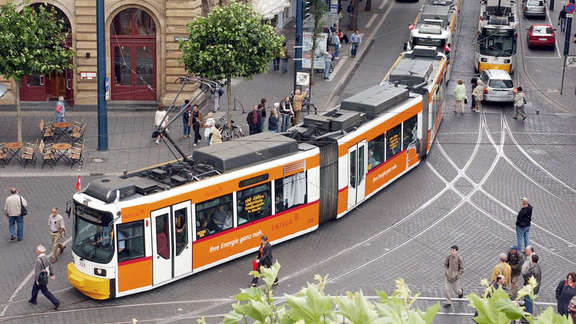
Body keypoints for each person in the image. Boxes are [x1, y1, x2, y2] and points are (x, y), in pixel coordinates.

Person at [29, 245, 60, 310]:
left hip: (40, 278)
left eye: (37, 250)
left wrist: (37, 280)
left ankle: (56, 302)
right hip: (45, 276)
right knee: (35, 289)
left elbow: (37, 272)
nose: (36, 251)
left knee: (44, 291)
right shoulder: (47, 257)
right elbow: (50, 266)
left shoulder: (38, 260)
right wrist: (52, 274)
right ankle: (33, 299)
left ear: (39, 251)